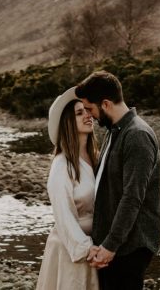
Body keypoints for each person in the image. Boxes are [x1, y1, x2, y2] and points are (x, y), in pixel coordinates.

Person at [76, 71, 160, 290]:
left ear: (105, 104)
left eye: (90, 108)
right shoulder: (115, 131)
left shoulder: (137, 136)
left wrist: (110, 246)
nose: (90, 115)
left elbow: (133, 197)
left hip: (131, 245)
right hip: (115, 242)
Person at [36, 87, 100, 290]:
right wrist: (86, 248)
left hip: (94, 245)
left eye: (87, 110)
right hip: (71, 248)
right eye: (79, 113)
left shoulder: (96, 157)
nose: (87, 115)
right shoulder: (62, 164)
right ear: (67, 122)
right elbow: (63, 214)